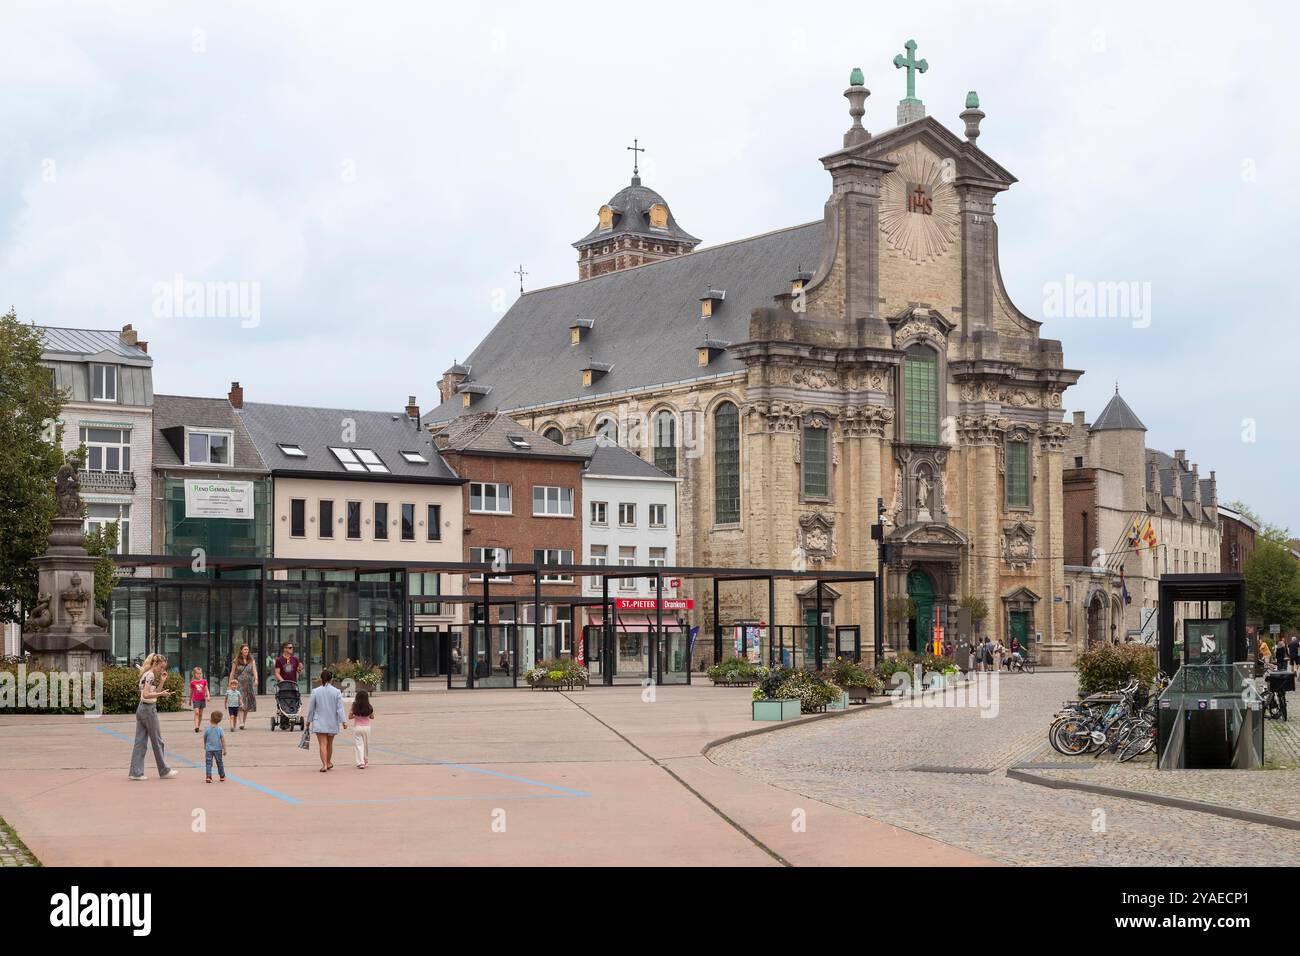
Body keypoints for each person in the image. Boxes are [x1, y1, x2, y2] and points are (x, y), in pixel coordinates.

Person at [129, 653, 179, 780]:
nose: (161, 670)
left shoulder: (146, 674)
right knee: (157, 741)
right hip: (148, 710)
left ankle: (136, 772)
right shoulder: (150, 675)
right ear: (155, 664)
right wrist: (161, 694)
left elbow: (153, 693)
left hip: (142, 709)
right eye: (161, 667)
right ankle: (164, 770)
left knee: (140, 742)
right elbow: (146, 694)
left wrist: (161, 683)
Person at [305, 669, 348, 772]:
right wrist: (343, 721)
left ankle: (324, 765)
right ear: (331, 679)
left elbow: (311, 708)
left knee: (322, 744)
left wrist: (308, 720)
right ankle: (328, 763)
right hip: (332, 721)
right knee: (329, 744)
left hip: (319, 721)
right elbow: (340, 708)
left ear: (321, 678)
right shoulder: (336, 692)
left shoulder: (315, 691)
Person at [228, 643, 258, 730]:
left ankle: (243, 722)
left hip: (248, 684)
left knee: (247, 704)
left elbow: (254, 671)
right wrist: (230, 683)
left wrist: (256, 679)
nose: (246, 651)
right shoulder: (236, 660)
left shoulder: (251, 660)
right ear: (241, 650)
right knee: (241, 702)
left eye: (247, 650)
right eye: (244, 649)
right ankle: (240, 722)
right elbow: (232, 673)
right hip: (239, 683)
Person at [348, 690, 374, 769]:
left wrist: (355, 715)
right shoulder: (369, 706)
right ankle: (366, 761)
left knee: (359, 745)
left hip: (357, 727)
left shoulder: (354, 705)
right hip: (366, 727)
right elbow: (372, 717)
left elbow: (350, 717)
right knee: (366, 745)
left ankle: (360, 762)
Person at [204, 710, 227, 783]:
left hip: (209, 749)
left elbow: (205, 738)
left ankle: (208, 776)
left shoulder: (207, 729)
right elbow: (223, 740)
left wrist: (205, 745)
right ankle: (222, 776)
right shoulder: (220, 729)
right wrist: (225, 749)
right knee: (219, 762)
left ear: (210, 719)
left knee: (208, 763)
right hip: (218, 749)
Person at [188, 666, 209, 733]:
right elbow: (191, 692)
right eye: (197, 673)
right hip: (195, 700)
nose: (199, 675)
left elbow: (206, 690)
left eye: (200, 673)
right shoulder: (192, 682)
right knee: (197, 713)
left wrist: (208, 696)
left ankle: (198, 727)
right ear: (194, 674)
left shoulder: (204, 681)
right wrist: (189, 700)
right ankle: (196, 726)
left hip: (202, 699)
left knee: (200, 714)